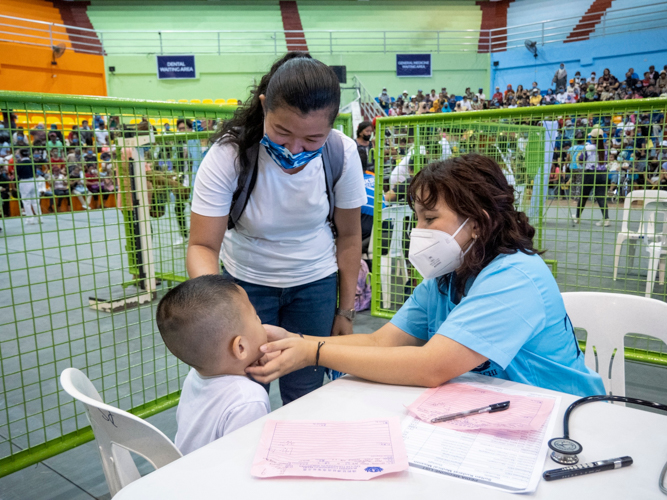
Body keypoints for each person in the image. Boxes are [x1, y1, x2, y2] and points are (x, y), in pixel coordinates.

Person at [246, 154, 606, 398]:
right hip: (497, 411)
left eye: (430, 219)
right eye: (417, 217)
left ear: (477, 223)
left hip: (563, 418)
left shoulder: (514, 278)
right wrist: (295, 341)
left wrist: (314, 352)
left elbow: (431, 366)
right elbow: (379, 343)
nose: (418, 229)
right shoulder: (445, 279)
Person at [186, 52, 366, 405]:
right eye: (282, 131)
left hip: (316, 286)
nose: (293, 150)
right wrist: (223, 311)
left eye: (312, 139)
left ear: (332, 125)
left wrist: (345, 311)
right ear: (265, 105)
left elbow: (349, 236)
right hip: (247, 288)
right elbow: (202, 246)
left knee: (306, 390)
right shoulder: (229, 155)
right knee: (244, 391)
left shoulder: (341, 153)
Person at [156, 275, 270, 455]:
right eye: (256, 318)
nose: (261, 322)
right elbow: (245, 463)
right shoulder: (248, 399)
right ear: (240, 347)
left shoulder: (195, 376)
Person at [574, 129, 609, 226]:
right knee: (601, 197)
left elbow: (581, 160)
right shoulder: (605, 148)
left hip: (590, 173)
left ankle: (577, 217)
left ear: (592, 138)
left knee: (583, 196)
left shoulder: (588, 148)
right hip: (602, 174)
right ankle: (606, 219)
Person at [15, 148, 42, 224]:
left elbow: (17, 175)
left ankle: (30, 219)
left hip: (24, 181)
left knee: (26, 201)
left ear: (20, 155)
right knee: (35, 200)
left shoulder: (19, 164)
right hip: (33, 180)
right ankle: (40, 218)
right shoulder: (32, 162)